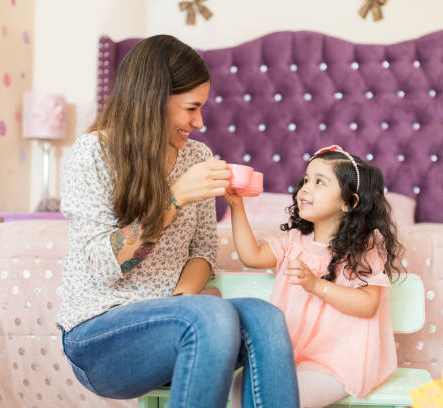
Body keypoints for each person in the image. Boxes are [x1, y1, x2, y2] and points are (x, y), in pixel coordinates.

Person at [56, 34, 299, 408]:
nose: (199, 122)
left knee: (264, 318)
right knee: (211, 314)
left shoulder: (196, 156)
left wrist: (184, 302)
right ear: (154, 100)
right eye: (191, 108)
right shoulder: (94, 153)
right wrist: (175, 197)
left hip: (180, 322)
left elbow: (203, 252)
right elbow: (103, 268)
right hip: (98, 336)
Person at [224, 145, 404, 408]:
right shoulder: (294, 241)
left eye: (319, 182)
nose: (305, 188)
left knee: (282, 397)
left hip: (337, 361)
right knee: (240, 387)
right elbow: (252, 256)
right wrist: (237, 206)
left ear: (348, 202)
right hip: (292, 356)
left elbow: (367, 305)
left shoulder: (363, 247)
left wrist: (316, 285)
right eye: (306, 180)